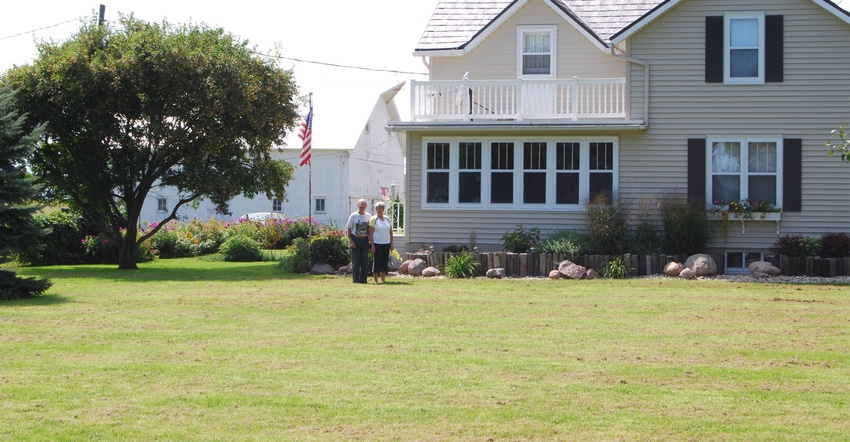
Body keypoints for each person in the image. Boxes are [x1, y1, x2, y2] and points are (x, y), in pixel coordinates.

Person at [345, 199, 371, 283]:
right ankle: (355, 280)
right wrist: (351, 241)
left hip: (365, 240)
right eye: (361, 204)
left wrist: (370, 242)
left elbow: (370, 230)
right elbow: (348, 230)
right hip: (355, 239)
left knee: (364, 261)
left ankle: (363, 280)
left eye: (364, 204)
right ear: (358, 205)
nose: (362, 206)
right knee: (356, 261)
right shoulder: (353, 216)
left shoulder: (369, 216)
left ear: (366, 206)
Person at [368, 201, 394, 283]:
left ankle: (383, 279)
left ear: (383, 209)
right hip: (377, 243)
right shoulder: (373, 219)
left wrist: (391, 243)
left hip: (386, 243)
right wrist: (372, 245)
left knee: (384, 261)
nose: (379, 210)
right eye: (378, 209)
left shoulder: (387, 219)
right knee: (377, 261)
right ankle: (375, 280)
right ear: (376, 209)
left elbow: (390, 232)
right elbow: (370, 233)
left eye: (381, 208)